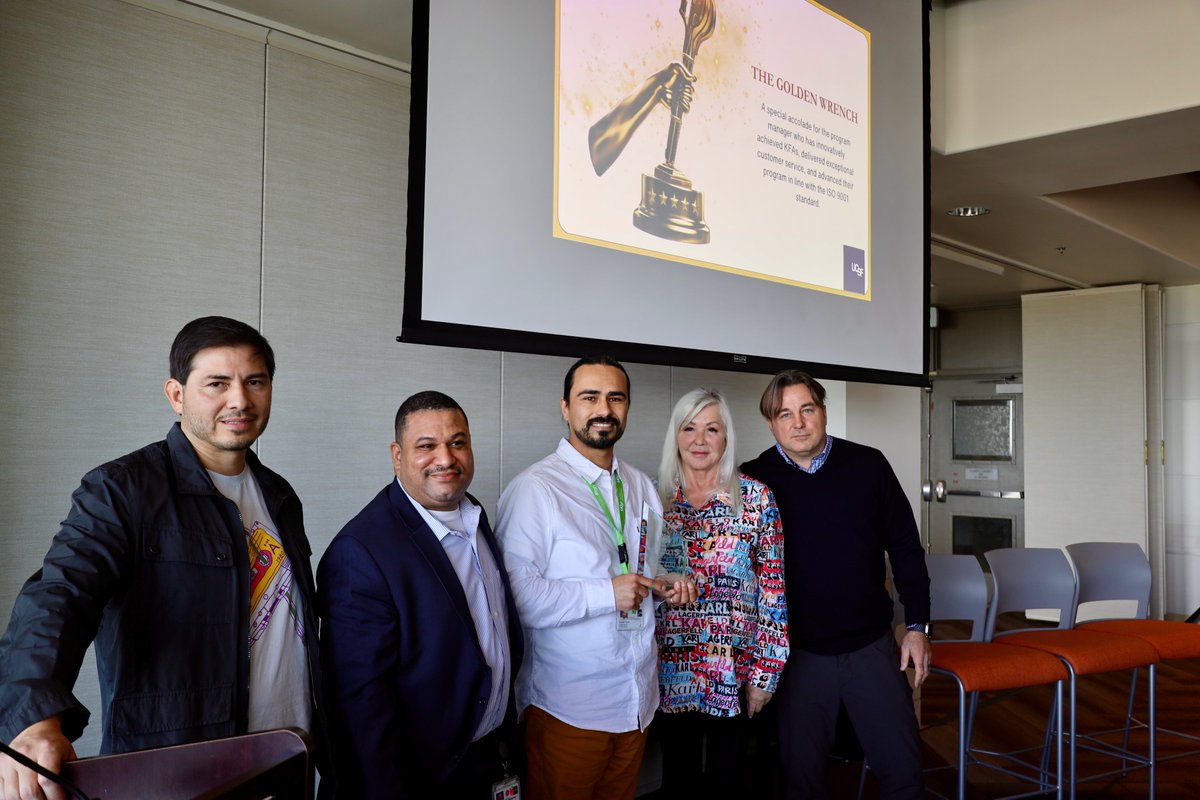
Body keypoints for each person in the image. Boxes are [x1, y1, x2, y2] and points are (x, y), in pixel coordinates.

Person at [0, 316, 326, 800]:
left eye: (255, 382)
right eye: (217, 384)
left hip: (287, 759)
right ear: (177, 395)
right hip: (180, 772)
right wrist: (33, 716)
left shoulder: (279, 494)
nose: (240, 399)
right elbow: (60, 595)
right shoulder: (123, 489)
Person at [496, 356, 695, 800]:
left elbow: (641, 571)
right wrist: (608, 594)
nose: (603, 409)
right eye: (590, 397)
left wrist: (660, 587)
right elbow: (516, 600)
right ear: (566, 407)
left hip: (637, 702)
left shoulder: (641, 486)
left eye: (615, 398)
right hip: (570, 709)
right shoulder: (535, 490)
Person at [317, 391, 523, 799]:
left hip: (487, 758)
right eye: (426, 446)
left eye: (457, 443)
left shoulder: (473, 514)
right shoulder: (360, 551)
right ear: (397, 456)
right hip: (421, 778)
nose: (445, 458)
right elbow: (360, 708)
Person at [740, 370, 931, 800]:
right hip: (797, 657)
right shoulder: (753, 480)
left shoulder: (869, 465)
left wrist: (918, 627)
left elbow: (906, 548)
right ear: (770, 423)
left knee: (904, 775)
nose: (798, 423)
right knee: (801, 783)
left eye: (807, 409)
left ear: (823, 412)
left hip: (871, 647)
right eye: (784, 414)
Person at [653, 388, 790, 794]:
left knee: (727, 784)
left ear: (726, 437)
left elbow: (773, 594)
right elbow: (636, 580)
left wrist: (765, 676)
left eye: (711, 429)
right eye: (689, 428)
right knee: (676, 783)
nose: (700, 440)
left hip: (734, 673)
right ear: (675, 435)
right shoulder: (654, 499)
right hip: (667, 672)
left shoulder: (756, 499)